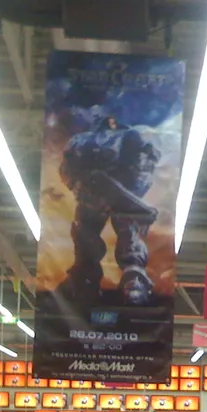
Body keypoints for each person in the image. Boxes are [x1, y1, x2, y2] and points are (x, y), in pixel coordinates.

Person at [58, 112, 162, 306]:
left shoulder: (131, 136)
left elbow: (144, 167)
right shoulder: (83, 139)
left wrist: (130, 194)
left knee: (128, 233)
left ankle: (134, 277)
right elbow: (66, 168)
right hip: (93, 191)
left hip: (120, 192)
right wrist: (77, 185)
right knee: (85, 234)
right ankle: (84, 279)